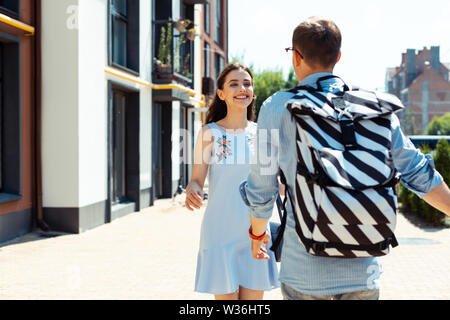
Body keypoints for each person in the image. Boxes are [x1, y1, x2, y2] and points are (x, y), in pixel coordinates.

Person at [240, 16, 450, 300]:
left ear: (296, 57)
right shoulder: (374, 109)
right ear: (338, 57)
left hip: (304, 270)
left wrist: (257, 235)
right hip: (363, 268)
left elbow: (262, 187)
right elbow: (417, 172)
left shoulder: (278, 107)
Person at [186, 63, 279, 300]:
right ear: (221, 94)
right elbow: (196, 179)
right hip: (220, 231)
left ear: (253, 92)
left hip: (257, 232)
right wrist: (193, 190)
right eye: (234, 84)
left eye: (247, 83)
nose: (242, 88)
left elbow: (274, 185)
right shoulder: (208, 133)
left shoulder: (264, 134)